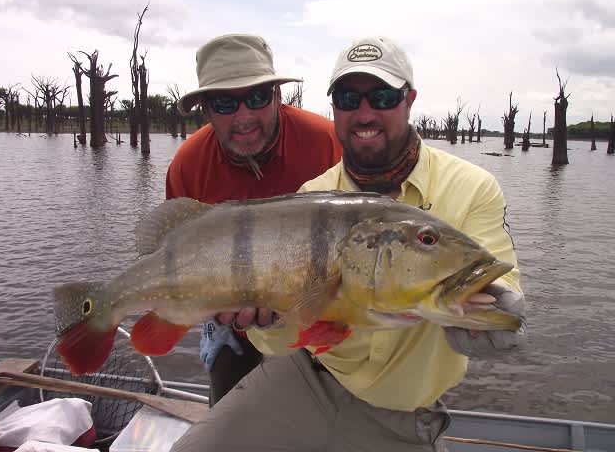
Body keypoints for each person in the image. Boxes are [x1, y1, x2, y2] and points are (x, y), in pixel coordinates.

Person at [170, 36, 527, 452]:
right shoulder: (312, 192)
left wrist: (504, 311)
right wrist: (264, 322)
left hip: (403, 412)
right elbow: (285, 337)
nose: (364, 112)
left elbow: (502, 283)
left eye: (382, 95)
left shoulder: (472, 189)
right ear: (334, 106)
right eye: (347, 97)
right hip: (307, 378)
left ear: (408, 100)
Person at [166, 33, 342, 405]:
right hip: (234, 328)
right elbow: (175, 257)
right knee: (228, 426)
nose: (244, 117)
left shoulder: (326, 143)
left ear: (278, 97)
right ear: (206, 109)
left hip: (320, 320)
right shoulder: (188, 165)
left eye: (258, 97)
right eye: (226, 102)